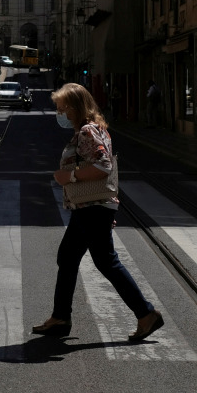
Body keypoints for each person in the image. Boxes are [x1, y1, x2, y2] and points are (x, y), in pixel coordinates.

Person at [32, 83, 165, 342]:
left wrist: (68, 176)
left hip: (91, 207)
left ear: (75, 108)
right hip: (91, 207)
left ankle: (146, 313)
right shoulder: (97, 128)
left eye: (62, 109)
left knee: (106, 261)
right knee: (68, 257)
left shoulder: (87, 131)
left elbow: (103, 167)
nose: (59, 114)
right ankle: (60, 317)